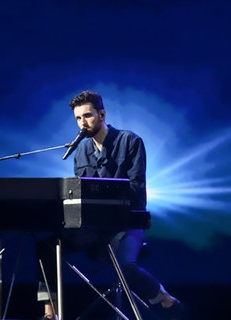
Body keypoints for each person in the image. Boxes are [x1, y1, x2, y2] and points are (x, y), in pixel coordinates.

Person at [36, 90, 183, 320]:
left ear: (102, 114)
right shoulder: (81, 151)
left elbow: (136, 188)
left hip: (126, 223)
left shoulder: (130, 141)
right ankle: (50, 312)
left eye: (88, 116)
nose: (82, 123)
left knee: (124, 267)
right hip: (94, 227)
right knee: (46, 246)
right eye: (78, 118)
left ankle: (163, 299)